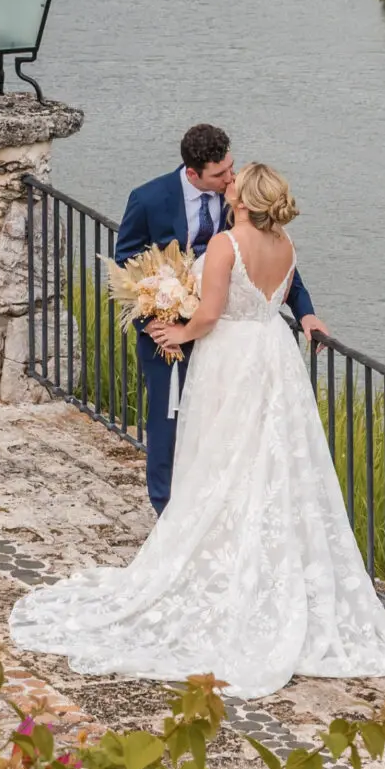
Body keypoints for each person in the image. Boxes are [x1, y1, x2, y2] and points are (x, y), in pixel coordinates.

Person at [9, 164, 385, 699]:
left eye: (234, 182)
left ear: (243, 201)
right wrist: (304, 318)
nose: (227, 186)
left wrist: (176, 332)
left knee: (221, 454)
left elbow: (207, 316)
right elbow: (280, 298)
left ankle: (219, 560)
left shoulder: (227, 244)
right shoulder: (286, 244)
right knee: (268, 454)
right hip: (273, 353)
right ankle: (265, 560)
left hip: (229, 356)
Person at [114, 122, 326, 514]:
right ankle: (166, 511)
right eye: (220, 173)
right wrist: (154, 320)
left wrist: (306, 312)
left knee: (226, 429)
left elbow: (277, 258)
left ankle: (218, 511)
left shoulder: (242, 203)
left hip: (226, 338)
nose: (230, 177)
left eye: (231, 167)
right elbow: (126, 261)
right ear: (193, 173)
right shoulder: (148, 199)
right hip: (170, 331)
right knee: (167, 423)